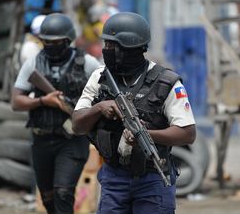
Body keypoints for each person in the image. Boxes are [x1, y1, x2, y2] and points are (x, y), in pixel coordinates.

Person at [71, 12, 196, 213]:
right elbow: (77, 125)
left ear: (133, 49)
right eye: (106, 45)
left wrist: (146, 136)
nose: (107, 50)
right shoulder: (99, 78)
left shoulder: (166, 83)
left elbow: (187, 133)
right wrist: (98, 108)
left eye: (114, 46)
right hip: (114, 177)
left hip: (153, 178)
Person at [11, 13, 100, 213]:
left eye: (56, 41)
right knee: (48, 198)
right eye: (46, 41)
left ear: (68, 40)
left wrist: (80, 108)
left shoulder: (87, 63)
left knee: (63, 192)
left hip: (72, 140)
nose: (50, 45)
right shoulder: (34, 63)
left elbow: (104, 96)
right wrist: (44, 101)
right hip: (41, 139)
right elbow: (16, 101)